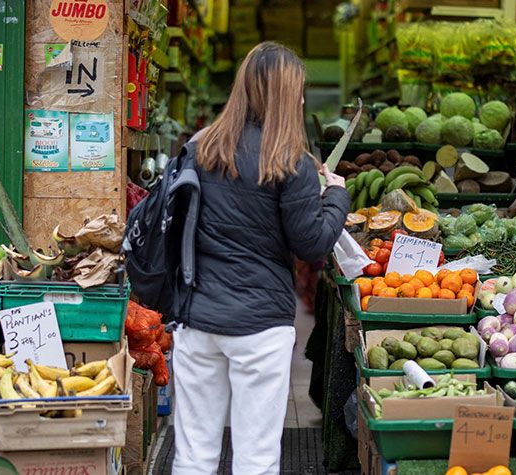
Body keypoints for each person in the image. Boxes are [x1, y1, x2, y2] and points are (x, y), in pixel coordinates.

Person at [172, 42, 350, 474]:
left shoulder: (198, 149)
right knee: (256, 457)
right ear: (286, 96)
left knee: (194, 454)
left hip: (197, 319)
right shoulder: (291, 161)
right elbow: (312, 245)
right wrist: (337, 195)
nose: (304, 99)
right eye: (300, 92)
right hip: (259, 326)